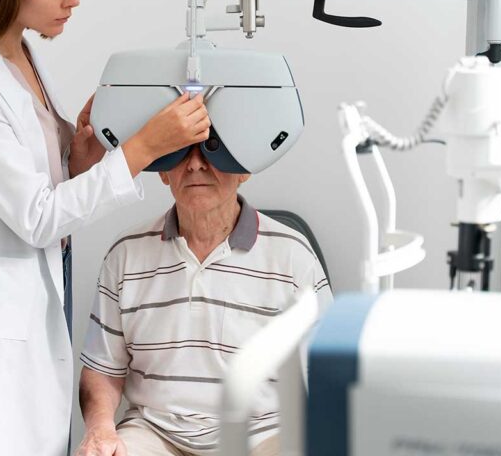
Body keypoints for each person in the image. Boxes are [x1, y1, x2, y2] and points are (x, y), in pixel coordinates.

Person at [0, 0, 210, 455]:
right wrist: (142, 150)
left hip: (35, 298)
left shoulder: (24, 58)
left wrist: (81, 154)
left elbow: (43, 183)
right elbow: (37, 216)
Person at [76, 146, 333, 456]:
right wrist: (100, 428)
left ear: (244, 169)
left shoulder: (293, 255)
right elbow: (102, 370)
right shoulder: (126, 253)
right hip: (155, 434)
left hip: (262, 434)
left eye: (213, 150)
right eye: (181, 151)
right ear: (162, 171)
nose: (195, 164)